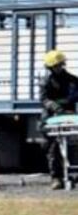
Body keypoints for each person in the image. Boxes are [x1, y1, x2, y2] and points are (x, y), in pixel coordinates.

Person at [40, 50, 78, 190]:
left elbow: (74, 96)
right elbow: (44, 99)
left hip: (70, 116)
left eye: (60, 65)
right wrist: (54, 106)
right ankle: (56, 178)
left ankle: (73, 174)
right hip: (51, 118)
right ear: (50, 68)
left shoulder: (73, 80)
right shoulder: (46, 82)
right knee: (53, 147)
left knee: (73, 146)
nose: (58, 68)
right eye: (55, 66)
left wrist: (67, 105)